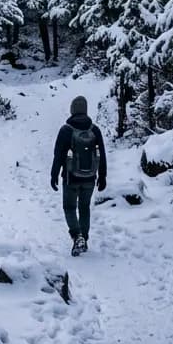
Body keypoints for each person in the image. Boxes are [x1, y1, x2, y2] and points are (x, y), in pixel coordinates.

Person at [50, 95, 107, 255]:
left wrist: (54, 174)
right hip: (90, 178)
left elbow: (58, 155)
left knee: (69, 207)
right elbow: (101, 154)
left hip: (70, 177)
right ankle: (84, 239)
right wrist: (102, 176)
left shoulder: (66, 130)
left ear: (72, 110)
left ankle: (77, 236)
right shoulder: (94, 130)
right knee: (84, 207)